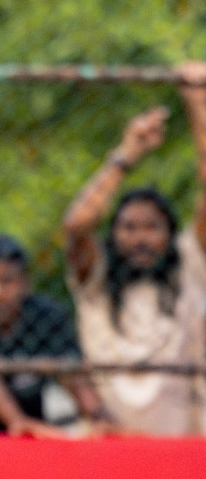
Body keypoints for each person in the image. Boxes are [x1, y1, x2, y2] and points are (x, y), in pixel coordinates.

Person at [61, 68, 206, 435]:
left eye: (152, 228)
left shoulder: (189, 265)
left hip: (183, 447)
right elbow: (77, 225)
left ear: (170, 235)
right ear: (114, 235)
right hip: (111, 446)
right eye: (128, 228)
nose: (140, 238)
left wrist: (197, 105)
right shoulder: (96, 281)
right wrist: (126, 155)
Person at [0, 235, 109, 436]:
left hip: (36, 430)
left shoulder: (46, 317)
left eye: (6, 281)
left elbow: (71, 371)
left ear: (25, 283)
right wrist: (18, 422)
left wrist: (99, 418)